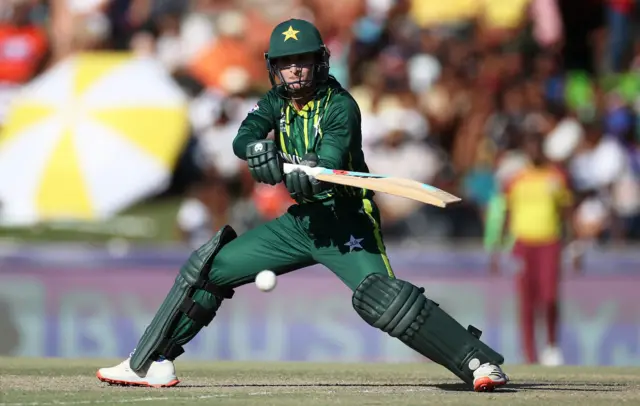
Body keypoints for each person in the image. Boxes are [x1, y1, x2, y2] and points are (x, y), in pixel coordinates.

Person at [96, 19, 509, 392]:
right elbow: (246, 134)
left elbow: (330, 155)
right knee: (209, 268)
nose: (294, 70)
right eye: (286, 62)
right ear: (273, 67)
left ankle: (478, 362)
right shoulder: (274, 102)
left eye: (302, 61)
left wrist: (308, 170)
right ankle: (152, 362)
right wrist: (258, 149)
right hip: (302, 224)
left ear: (320, 63)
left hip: (348, 221)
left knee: (383, 300)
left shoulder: (340, 105)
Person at [492, 132, 573, 366]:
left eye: (538, 146)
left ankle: (551, 346)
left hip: (549, 242)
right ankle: (530, 354)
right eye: (530, 147)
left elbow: (566, 213)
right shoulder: (516, 179)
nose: (535, 151)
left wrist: (575, 246)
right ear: (526, 150)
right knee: (526, 301)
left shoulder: (556, 177)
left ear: (543, 148)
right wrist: (498, 248)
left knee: (549, 297)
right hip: (523, 245)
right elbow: (506, 214)